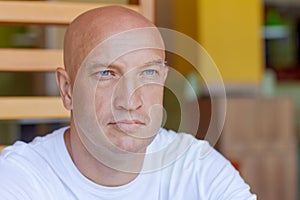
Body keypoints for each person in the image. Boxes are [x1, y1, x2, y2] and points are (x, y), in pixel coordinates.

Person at [0, 5, 256, 200]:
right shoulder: (20, 179)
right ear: (67, 90)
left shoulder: (196, 167)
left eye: (148, 73)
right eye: (106, 74)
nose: (130, 101)